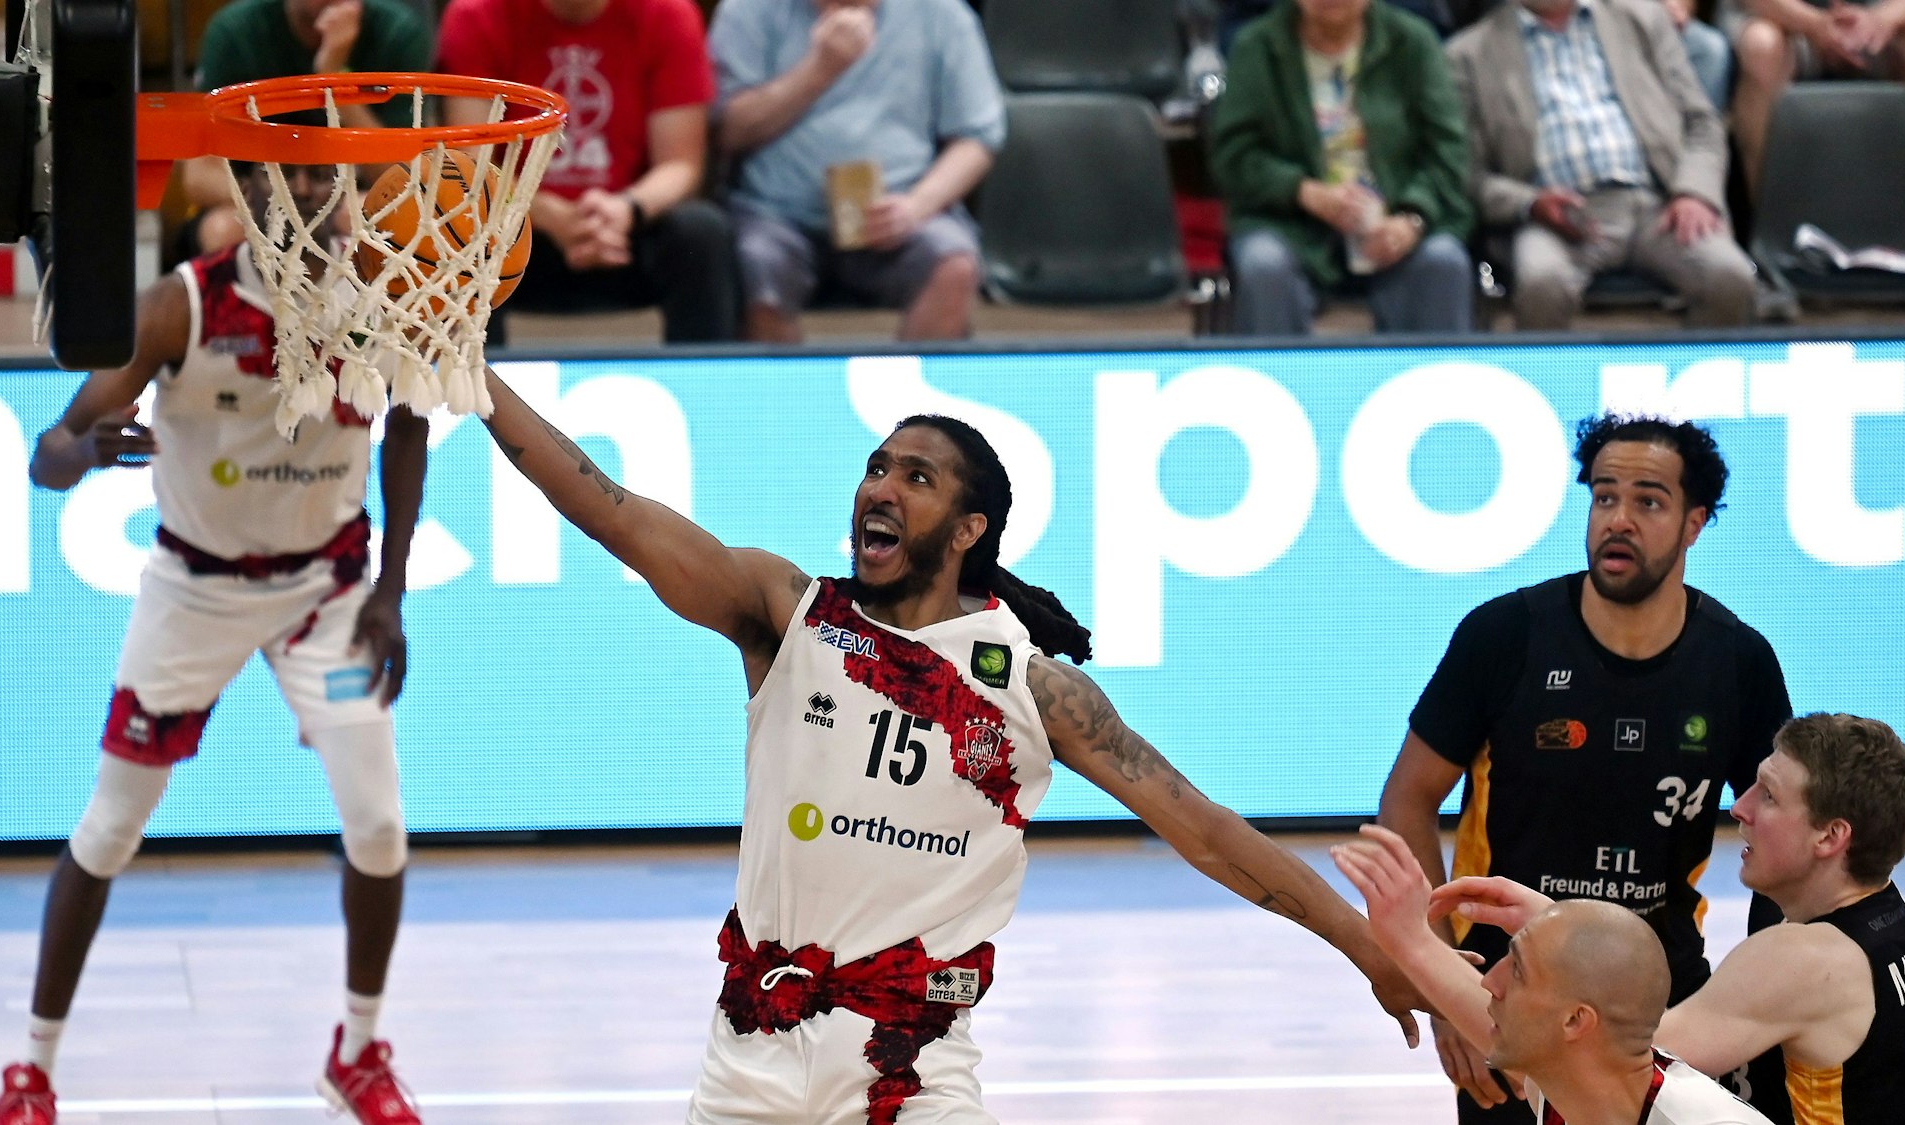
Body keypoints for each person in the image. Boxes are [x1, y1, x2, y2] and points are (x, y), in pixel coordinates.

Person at [475, 374, 1432, 1121]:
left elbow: (1206, 829)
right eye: (877, 467)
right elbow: (615, 511)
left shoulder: (1030, 685)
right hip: (753, 1055)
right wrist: (469, 379)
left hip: (912, 1066)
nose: (880, 489)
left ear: (968, 530)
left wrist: (1365, 946)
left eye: (916, 478)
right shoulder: (788, 613)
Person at [0, 163, 430, 1125]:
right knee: (109, 828)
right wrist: (88, 450)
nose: (313, 188)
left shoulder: (380, 297)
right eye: (292, 173)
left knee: (382, 827)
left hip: (327, 593)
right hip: (194, 591)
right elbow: (47, 455)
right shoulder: (181, 306)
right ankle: (30, 1069)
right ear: (254, 190)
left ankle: (356, 1052)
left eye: (327, 174)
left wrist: (392, 587)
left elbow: (408, 430)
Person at [1377, 412, 1791, 1124]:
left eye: (1648, 501)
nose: (1618, 519)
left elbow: (1787, 836)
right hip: (1512, 995)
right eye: (1604, 497)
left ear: (1695, 522)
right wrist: (1446, 986)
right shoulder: (1504, 635)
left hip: (1659, 997)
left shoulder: (1737, 661)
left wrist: (1762, 1000)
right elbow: (1408, 799)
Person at [1441, 712, 1905, 1123]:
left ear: (1830, 837)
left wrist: (1414, 949)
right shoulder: (1891, 921)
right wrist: (1558, 925)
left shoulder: (1804, 960)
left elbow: (1604, 1059)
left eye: (1768, 795)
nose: (1739, 808)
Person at [1334, 825, 1773, 1124]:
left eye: (1518, 971)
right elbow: (1482, 1010)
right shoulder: (1575, 1080)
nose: (1490, 981)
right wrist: (1410, 942)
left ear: (1576, 1021)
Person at [435, 0, 741, 344]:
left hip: (624, 230)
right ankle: (477, 391)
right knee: (468, 231)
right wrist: (552, 216)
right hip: (521, 228)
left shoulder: (668, 14)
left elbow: (681, 164)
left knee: (702, 232)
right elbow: (472, 164)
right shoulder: (476, 16)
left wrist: (627, 208)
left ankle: (706, 386)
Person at [708, 0, 1005, 343]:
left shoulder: (942, 13)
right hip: (775, 212)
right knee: (754, 265)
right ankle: (786, 395)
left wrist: (915, 208)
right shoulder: (747, 10)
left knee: (953, 264)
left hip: (901, 203)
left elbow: (977, 138)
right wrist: (819, 69)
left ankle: (911, 393)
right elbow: (726, 132)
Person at [1447, 0, 1756, 328]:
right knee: (1542, 282)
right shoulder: (1468, 54)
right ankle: (1553, 380)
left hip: (1657, 203)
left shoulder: (1641, 18)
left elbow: (1702, 122)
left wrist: (1694, 191)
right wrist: (1531, 203)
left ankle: (1700, 374)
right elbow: (1467, 173)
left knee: (1730, 276)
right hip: (1557, 216)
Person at [1209, 0, 1477, 335]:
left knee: (1442, 260)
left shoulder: (1414, 42)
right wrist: (1302, 191)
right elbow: (1234, 156)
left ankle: (1432, 383)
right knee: (1264, 265)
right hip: (1290, 224)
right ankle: (1284, 382)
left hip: (1395, 218)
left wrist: (1412, 218)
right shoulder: (1256, 47)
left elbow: (1447, 150)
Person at [180, 0, 433, 258]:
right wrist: (284, 202)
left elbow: (405, 181)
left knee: (391, 220)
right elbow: (198, 179)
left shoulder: (397, 32)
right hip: (259, 198)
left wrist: (334, 80)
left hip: (347, 198)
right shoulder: (235, 32)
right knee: (221, 230)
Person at [1721, 0, 1905, 188]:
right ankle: (1770, 216)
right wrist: (1814, 24)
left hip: (1881, 24)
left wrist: (1882, 19)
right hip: (1787, 22)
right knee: (1761, 46)